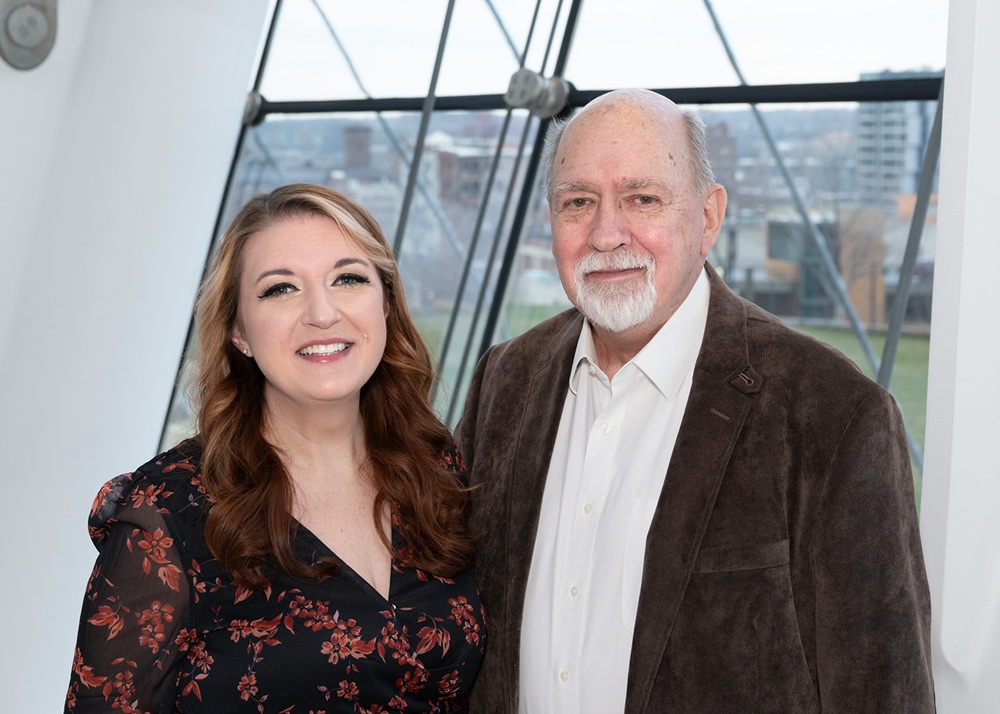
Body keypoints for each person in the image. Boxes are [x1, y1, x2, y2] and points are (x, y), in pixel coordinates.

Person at [456, 89, 934, 712]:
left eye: (642, 199)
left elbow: (883, 690)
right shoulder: (505, 380)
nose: (606, 234)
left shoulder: (834, 414)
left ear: (708, 218)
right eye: (578, 202)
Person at [65, 184, 486, 713]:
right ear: (238, 330)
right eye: (281, 289)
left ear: (386, 302)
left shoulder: (436, 469)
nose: (322, 313)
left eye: (348, 279)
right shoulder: (167, 514)